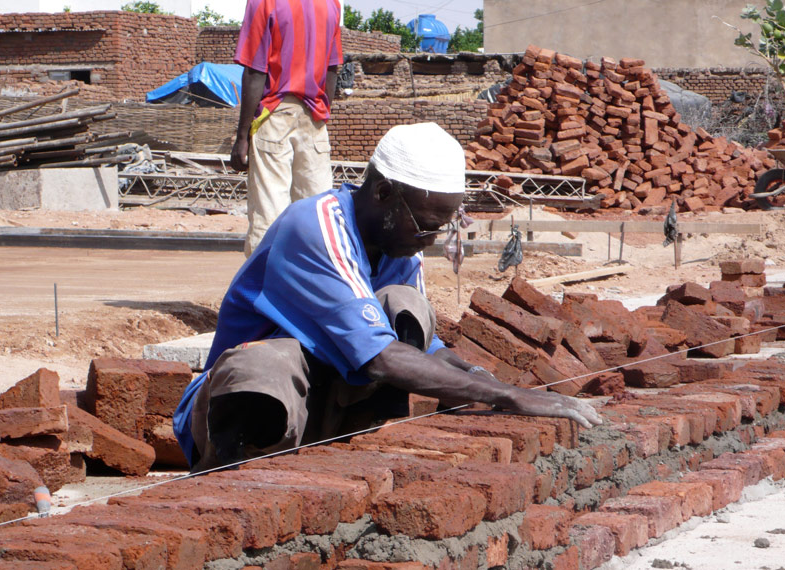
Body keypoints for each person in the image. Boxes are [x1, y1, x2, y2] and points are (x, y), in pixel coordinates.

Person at [174, 123, 602, 472]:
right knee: (269, 363)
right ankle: (232, 478)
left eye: (440, 228)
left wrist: (484, 380)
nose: (430, 240)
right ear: (382, 194)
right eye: (426, 225)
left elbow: (425, 350)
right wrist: (506, 396)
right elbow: (381, 357)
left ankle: (348, 457)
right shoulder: (315, 227)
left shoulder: (399, 245)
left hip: (322, 406)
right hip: (248, 410)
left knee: (404, 303)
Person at [230, 0, 343, 257]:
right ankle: (314, 279)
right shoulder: (330, 4)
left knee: (269, 214)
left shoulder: (265, 2)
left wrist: (242, 137)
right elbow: (332, 70)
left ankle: (265, 280)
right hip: (314, 117)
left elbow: (255, 72)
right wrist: (321, 115)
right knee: (317, 216)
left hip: (274, 116)